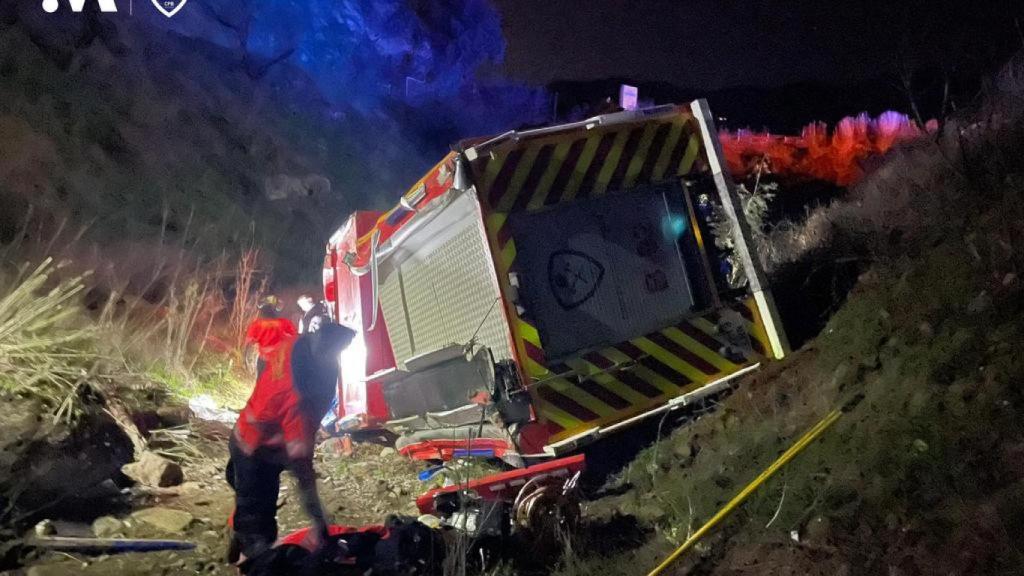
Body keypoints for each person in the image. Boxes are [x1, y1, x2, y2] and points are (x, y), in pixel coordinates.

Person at [226, 315, 356, 570]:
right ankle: (249, 561)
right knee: (258, 525)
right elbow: (301, 464)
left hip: (250, 433)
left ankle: (237, 530)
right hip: (255, 449)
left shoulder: (294, 345)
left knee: (251, 500)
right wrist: (320, 524)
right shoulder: (299, 399)